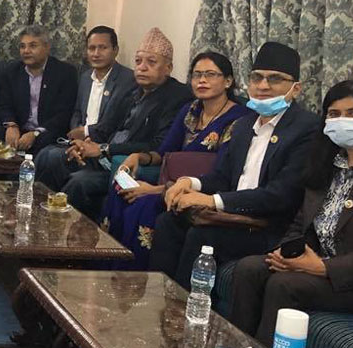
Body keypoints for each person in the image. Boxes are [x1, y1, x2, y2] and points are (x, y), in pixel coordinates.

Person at [151, 42, 319, 288]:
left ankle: (184, 306)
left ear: (296, 89)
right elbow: (221, 177)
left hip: (268, 227)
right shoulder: (244, 125)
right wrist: (189, 183)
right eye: (257, 78)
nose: (263, 86)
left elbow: (281, 195)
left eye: (274, 79)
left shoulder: (307, 128)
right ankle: (158, 297)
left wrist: (211, 201)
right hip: (232, 216)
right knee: (168, 222)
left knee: (202, 235)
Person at [229, 80, 353, 346]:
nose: (342, 120)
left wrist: (324, 267)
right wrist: (286, 254)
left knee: (284, 285)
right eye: (334, 114)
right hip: (315, 263)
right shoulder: (327, 165)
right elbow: (300, 223)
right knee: (249, 268)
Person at [102, 51, 251, 268]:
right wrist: (139, 157)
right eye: (197, 75)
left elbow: (221, 175)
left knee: (142, 204)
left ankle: (135, 274)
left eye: (210, 74)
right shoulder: (190, 110)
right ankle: (107, 263)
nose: (202, 80)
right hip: (171, 182)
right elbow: (165, 152)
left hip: (202, 191)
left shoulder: (239, 119)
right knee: (120, 189)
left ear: (228, 81)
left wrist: (155, 190)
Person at [35, 27, 192, 221]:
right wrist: (84, 145)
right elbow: (106, 127)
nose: (142, 67)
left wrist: (104, 149)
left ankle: (65, 232)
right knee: (50, 157)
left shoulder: (177, 97)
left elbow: (158, 145)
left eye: (151, 62)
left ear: (168, 68)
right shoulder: (134, 91)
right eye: (138, 61)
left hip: (124, 165)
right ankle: (38, 218)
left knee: (79, 182)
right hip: (105, 157)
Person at [0, 26, 78, 153]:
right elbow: (4, 104)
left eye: (33, 46)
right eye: (22, 46)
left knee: (44, 142)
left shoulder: (65, 73)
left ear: (47, 47)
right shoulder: (12, 72)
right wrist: (11, 125)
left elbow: (63, 114)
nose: (26, 51)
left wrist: (35, 133)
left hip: (47, 130)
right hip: (19, 127)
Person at [66, 26, 136, 142]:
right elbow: (77, 112)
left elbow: (116, 121)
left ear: (115, 50)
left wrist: (86, 132)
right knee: (47, 151)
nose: (96, 54)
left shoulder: (128, 79)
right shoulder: (85, 77)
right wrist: (77, 131)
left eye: (103, 48)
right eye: (91, 48)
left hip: (105, 144)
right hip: (80, 142)